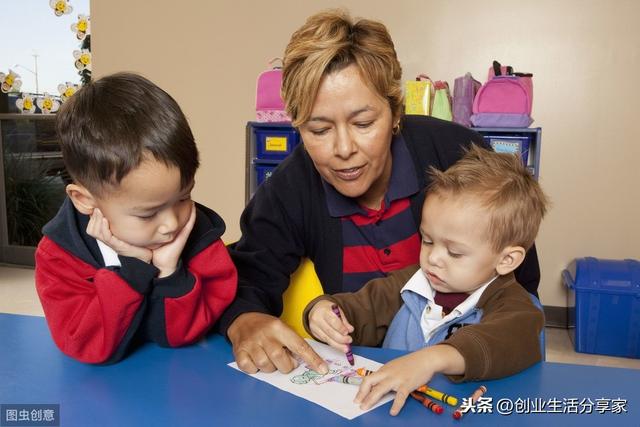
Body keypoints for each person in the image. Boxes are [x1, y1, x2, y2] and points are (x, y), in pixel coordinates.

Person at [220, 9, 541, 375]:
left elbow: (519, 286)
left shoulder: (457, 155)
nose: (343, 148)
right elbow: (251, 278)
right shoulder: (289, 189)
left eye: (363, 123)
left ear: (395, 112)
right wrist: (245, 320)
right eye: (319, 129)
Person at [303, 144, 549, 415]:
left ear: (506, 260)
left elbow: (507, 340)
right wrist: (325, 312)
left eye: (454, 252)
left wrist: (432, 359)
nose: (433, 258)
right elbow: (360, 307)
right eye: (428, 241)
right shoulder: (412, 281)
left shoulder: (519, 309)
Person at [35, 72, 238, 364]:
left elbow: (181, 336)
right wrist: (134, 267)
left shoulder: (200, 237)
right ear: (85, 201)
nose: (171, 224)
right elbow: (90, 348)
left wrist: (170, 272)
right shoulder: (60, 256)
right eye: (148, 213)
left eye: (183, 197)